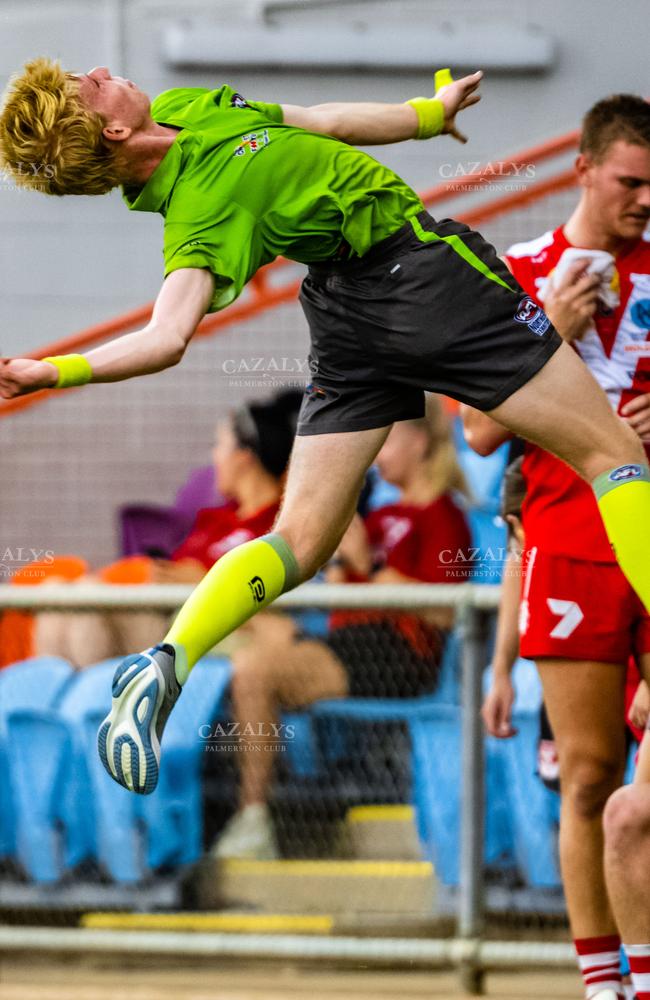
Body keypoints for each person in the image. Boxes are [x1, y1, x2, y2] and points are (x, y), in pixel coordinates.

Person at [0, 63, 648, 799]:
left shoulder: (189, 107)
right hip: (424, 275)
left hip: (344, 318)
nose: (99, 71)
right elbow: (167, 335)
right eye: (91, 86)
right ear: (113, 128)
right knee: (615, 453)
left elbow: (322, 119)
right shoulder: (199, 210)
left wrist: (428, 116)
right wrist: (57, 371)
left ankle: (167, 660)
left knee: (301, 540)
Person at [466, 93, 650, 1000]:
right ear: (582, 168)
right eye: (631, 182)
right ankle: (601, 982)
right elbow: (474, 432)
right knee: (587, 777)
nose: (646, 200)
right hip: (570, 547)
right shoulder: (520, 273)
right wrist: (556, 329)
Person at [211, 395, 471, 859]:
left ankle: (252, 820)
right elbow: (339, 588)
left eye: (388, 437)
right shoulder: (379, 513)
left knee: (255, 672)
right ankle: (249, 812)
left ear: (421, 441)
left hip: (399, 652)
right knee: (253, 646)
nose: (377, 451)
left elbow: (447, 612)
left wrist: (367, 565)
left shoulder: (443, 516)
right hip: (348, 641)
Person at [33, 391, 300, 667]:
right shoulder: (213, 519)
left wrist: (203, 580)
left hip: (190, 626)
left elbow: (272, 601)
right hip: (159, 608)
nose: (213, 456)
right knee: (56, 591)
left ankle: (93, 701)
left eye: (218, 445)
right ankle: (62, 699)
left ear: (244, 456)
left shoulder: (278, 524)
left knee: (88, 597)